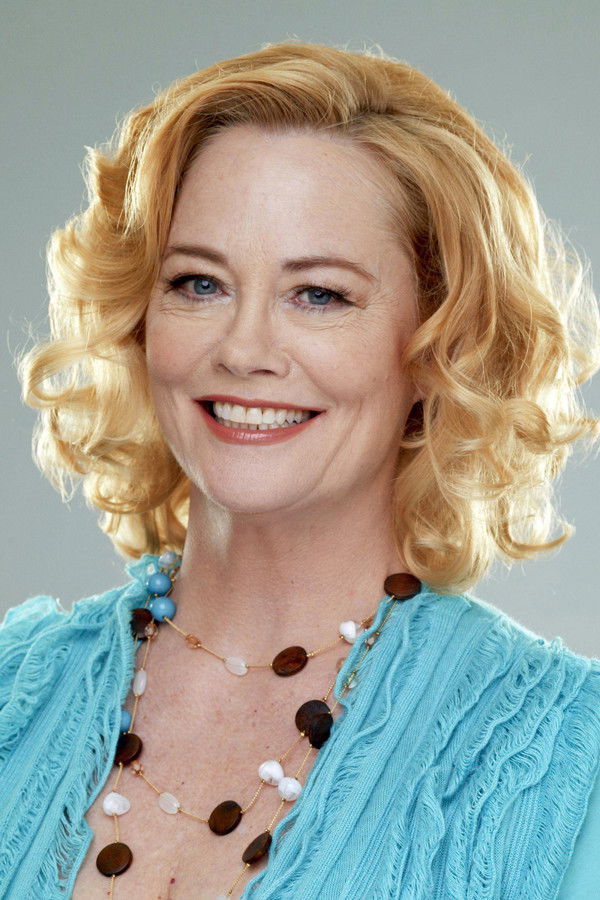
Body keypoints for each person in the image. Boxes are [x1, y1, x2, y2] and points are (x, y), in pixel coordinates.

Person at [1, 39, 599, 900]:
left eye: (319, 295)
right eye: (198, 283)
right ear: (139, 318)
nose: (243, 349)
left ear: (440, 347)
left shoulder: (566, 758)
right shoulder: (14, 698)